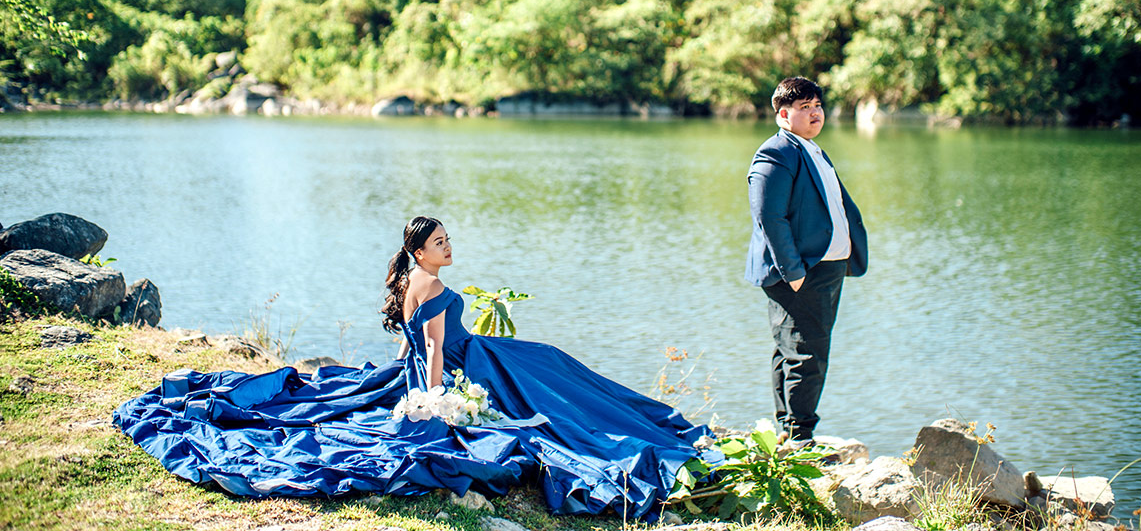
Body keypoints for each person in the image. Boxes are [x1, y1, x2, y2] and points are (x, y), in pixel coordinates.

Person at [114, 215, 717, 518]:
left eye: (449, 239)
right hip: (467, 365)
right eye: (440, 243)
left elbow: (411, 344)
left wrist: (399, 377)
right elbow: (430, 348)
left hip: (467, 356)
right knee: (555, 381)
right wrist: (433, 400)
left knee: (553, 366)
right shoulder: (428, 286)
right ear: (419, 251)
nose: (449, 247)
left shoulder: (411, 280)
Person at [745, 76, 868, 445]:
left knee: (796, 350)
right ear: (784, 114)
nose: (815, 113)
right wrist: (794, 272)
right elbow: (769, 217)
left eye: (817, 106)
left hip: (825, 268)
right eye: (804, 107)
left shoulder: (810, 149)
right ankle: (800, 438)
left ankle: (789, 432)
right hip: (801, 272)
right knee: (805, 354)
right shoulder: (776, 152)